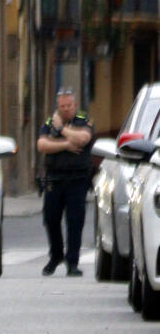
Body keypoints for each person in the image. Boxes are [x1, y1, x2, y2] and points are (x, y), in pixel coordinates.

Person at [36, 87, 95, 277]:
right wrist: (66, 144)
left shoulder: (83, 119)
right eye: (62, 106)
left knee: (75, 221)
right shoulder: (49, 121)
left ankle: (72, 262)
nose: (65, 109)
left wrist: (62, 129)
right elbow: (42, 145)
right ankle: (56, 255)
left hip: (77, 179)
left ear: (75, 105)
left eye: (68, 105)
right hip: (54, 177)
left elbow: (84, 138)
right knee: (51, 218)